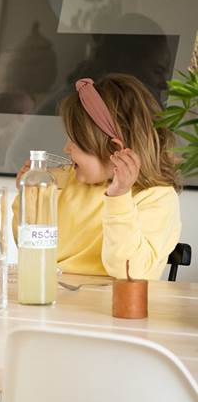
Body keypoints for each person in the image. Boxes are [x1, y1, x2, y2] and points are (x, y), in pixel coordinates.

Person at [15, 73, 182, 279]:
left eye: (75, 141)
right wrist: (29, 196)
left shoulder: (157, 198)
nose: (66, 148)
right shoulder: (62, 182)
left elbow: (130, 273)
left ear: (115, 151)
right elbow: (28, 247)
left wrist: (119, 198)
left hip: (113, 306)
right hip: (53, 295)